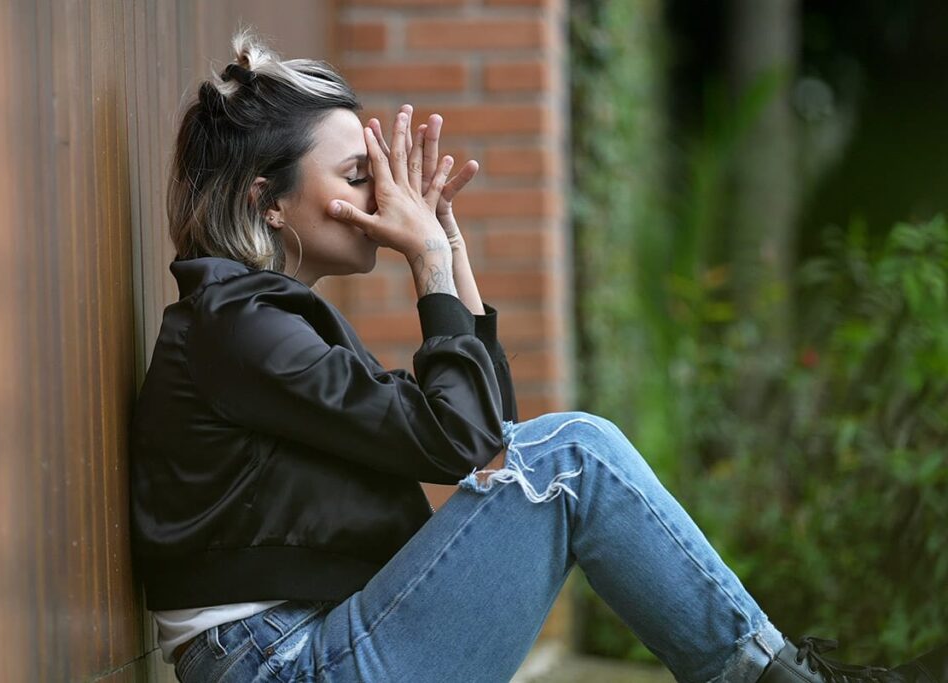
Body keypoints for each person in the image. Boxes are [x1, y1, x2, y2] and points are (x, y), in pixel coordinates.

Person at [128, 28, 946, 683]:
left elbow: (488, 443)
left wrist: (452, 257)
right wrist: (429, 271)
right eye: (358, 174)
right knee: (577, 456)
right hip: (283, 663)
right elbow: (469, 443)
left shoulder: (257, 322)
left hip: (305, 646)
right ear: (266, 202)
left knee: (559, 457)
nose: (388, 198)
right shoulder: (239, 328)